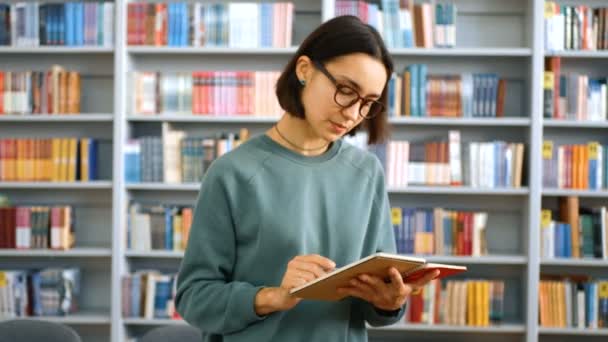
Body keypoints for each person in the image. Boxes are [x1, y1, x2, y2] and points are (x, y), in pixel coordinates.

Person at [175, 15, 440, 342]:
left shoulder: (366, 172)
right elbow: (193, 298)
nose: (352, 114)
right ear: (304, 70)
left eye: (367, 103)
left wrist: (389, 303)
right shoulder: (233, 173)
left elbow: (376, 309)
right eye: (345, 90)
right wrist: (272, 296)